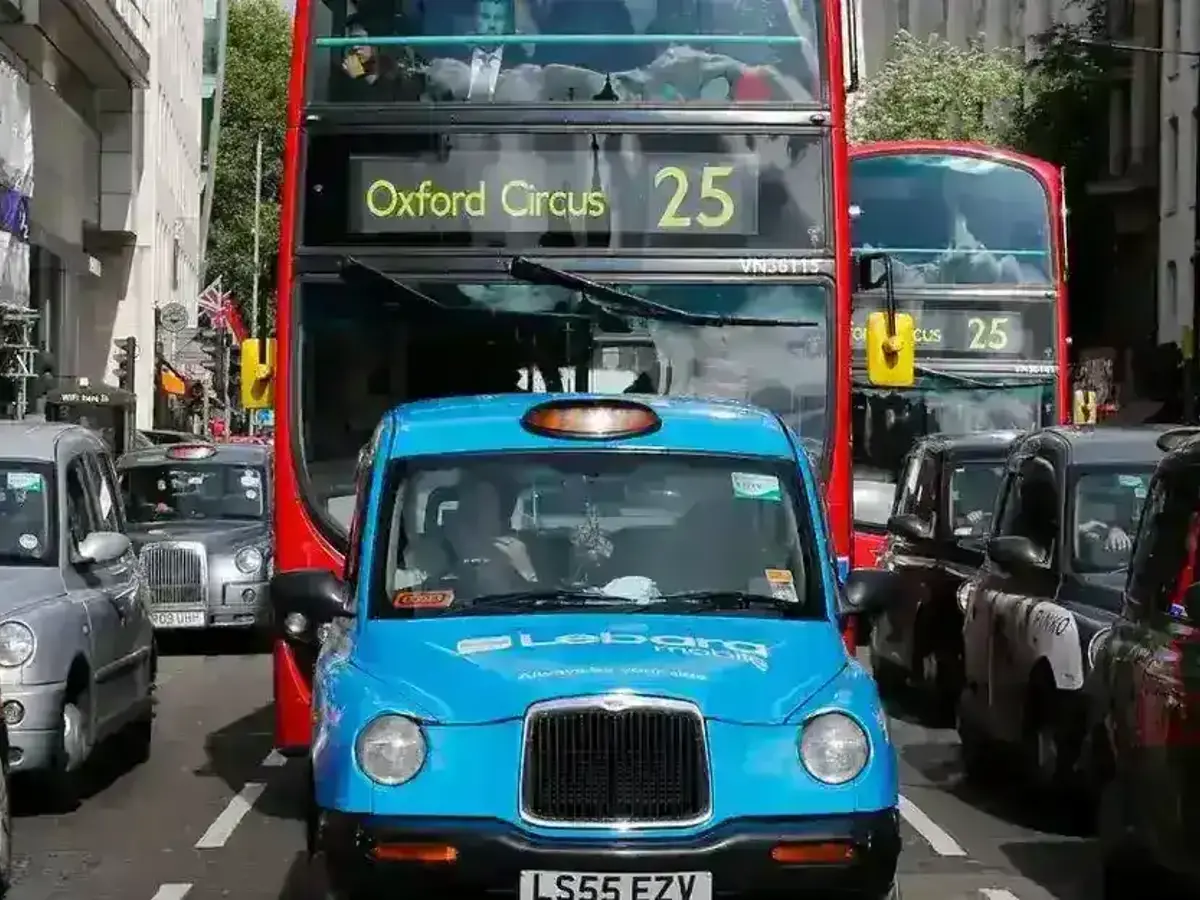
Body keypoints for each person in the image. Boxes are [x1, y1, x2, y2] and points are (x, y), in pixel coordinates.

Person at [446, 476, 537, 594]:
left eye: (483, 509)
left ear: (501, 523)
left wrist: (526, 571)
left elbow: (543, 603)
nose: (474, 522)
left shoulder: (516, 558)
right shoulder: (442, 572)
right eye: (467, 513)